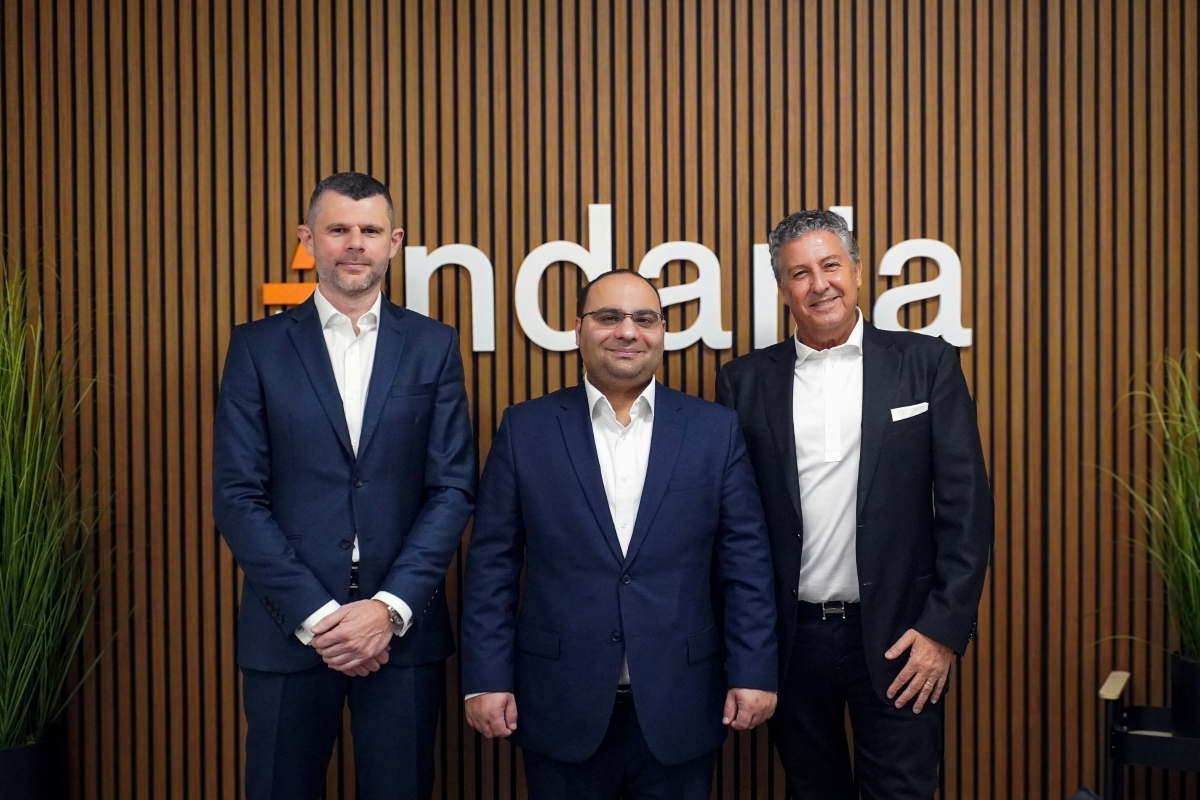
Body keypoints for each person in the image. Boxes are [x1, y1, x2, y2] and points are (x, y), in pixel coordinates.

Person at [460, 270, 778, 800]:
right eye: (608, 317)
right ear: (578, 330)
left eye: (644, 319)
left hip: (682, 701)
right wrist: (486, 677)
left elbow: (746, 565)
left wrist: (754, 669)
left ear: (662, 332)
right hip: (559, 701)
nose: (627, 331)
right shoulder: (525, 429)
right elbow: (492, 567)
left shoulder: (714, 430)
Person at [213, 172, 476, 800]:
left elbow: (452, 489)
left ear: (394, 242)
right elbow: (238, 496)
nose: (355, 243)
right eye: (338, 229)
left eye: (370, 230)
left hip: (402, 634)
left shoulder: (433, 346)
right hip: (288, 628)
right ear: (308, 240)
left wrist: (388, 609)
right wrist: (322, 617)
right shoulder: (256, 348)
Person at [716, 210, 993, 799]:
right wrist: (748, 647)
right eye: (800, 273)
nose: (819, 284)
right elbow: (732, 527)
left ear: (858, 271)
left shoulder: (926, 363)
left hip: (901, 638)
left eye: (831, 265)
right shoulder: (744, 382)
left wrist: (942, 631)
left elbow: (967, 508)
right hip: (792, 641)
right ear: (783, 289)